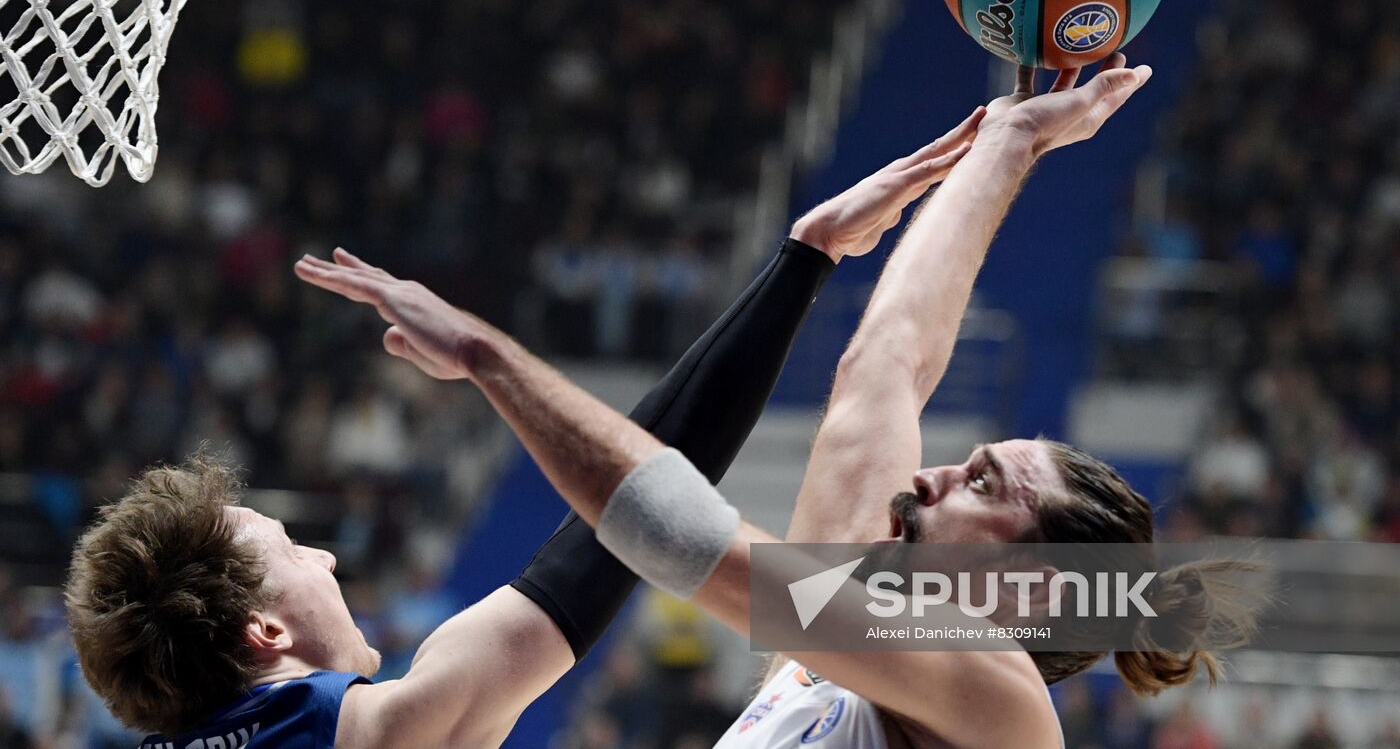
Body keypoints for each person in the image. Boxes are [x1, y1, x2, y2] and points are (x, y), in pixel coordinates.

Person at [300, 55, 1261, 749]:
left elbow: (679, 535)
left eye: (980, 482)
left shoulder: (993, 692)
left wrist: (486, 355)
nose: (929, 474)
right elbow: (886, 366)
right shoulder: (833, 657)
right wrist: (1004, 142)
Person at [63, 129, 975, 748]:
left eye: (993, 478)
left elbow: (876, 383)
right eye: (296, 551)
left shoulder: (913, 636)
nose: (331, 561)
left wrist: (822, 248)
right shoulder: (966, 631)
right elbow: (651, 526)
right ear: (264, 632)